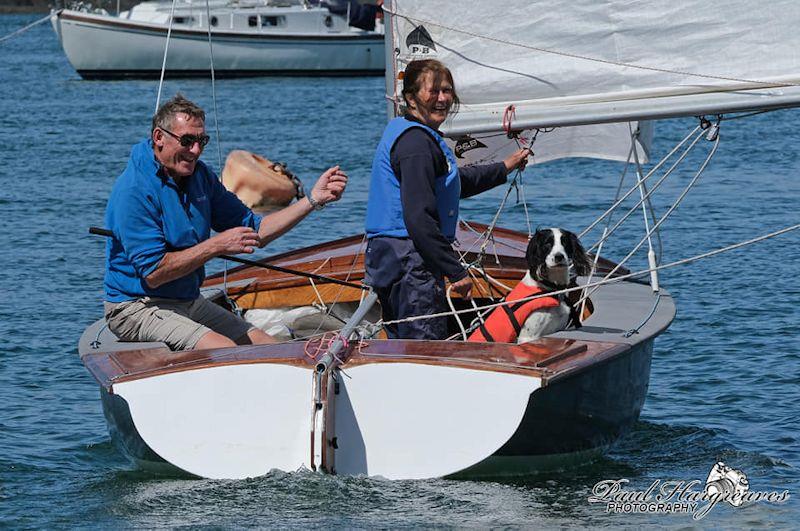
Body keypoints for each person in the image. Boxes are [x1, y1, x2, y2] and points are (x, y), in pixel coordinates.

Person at [103, 93, 348, 351]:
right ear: (159, 138)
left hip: (187, 300)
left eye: (201, 141)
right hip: (137, 306)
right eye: (187, 141)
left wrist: (312, 200)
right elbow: (154, 273)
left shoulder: (200, 176)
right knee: (223, 348)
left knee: (271, 347)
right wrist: (215, 245)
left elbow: (256, 231)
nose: (195, 151)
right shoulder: (134, 191)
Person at [364, 59, 530, 340]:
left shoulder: (409, 131)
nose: (442, 99)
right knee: (423, 344)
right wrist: (455, 271)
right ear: (411, 98)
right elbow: (418, 218)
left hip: (392, 254)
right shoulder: (416, 145)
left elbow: (451, 186)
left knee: (402, 342)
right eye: (433, 91)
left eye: (447, 90)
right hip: (409, 257)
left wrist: (504, 167)